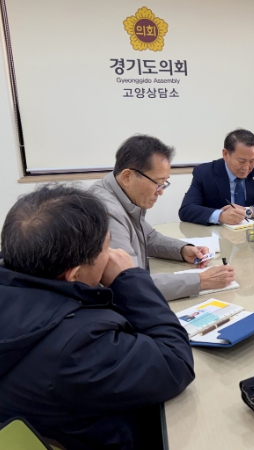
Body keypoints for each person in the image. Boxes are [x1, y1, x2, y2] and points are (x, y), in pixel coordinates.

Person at [0, 184, 195, 449]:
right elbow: (175, 362)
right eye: (107, 247)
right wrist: (130, 279)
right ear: (74, 274)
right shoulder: (79, 346)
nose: (115, 255)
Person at [90, 135, 234, 301]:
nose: (161, 191)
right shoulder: (107, 212)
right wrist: (201, 280)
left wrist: (182, 250)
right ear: (127, 177)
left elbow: (148, 237)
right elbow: (130, 284)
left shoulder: (119, 194)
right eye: (158, 183)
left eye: (164, 183)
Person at [179, 128, 254, 225]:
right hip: (219, 236)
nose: (247, 167)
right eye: (241, 161)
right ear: (225, 154)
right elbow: (186, 210)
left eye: (252, 161)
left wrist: (249, 211)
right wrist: (220, 216)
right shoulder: (205, 173)